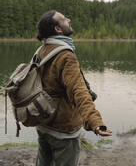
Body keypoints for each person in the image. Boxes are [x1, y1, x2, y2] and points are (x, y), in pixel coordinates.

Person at [35, 10, 112, 166]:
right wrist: (95, 122)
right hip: (63, 129)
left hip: (43, 123)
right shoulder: (65, 55)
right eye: (64, 19)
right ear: (58, 29)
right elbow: (79, 91)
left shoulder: (41, 50)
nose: (69, 19)